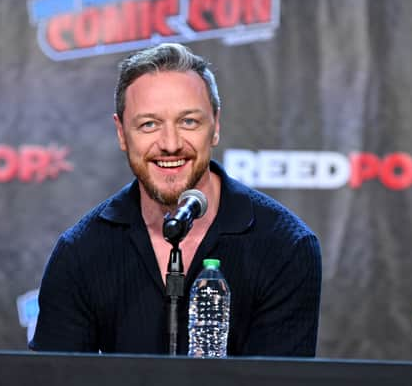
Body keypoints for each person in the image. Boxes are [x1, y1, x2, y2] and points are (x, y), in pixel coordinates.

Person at [29, 43, 321, 356]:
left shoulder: (286, 247)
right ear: (121, 134)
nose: (170, 144)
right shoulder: (80, 253)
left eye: (189, 122)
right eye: (149, 124)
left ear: (216, 126)